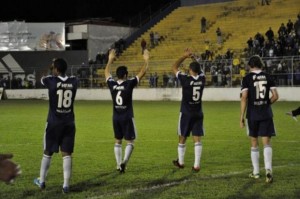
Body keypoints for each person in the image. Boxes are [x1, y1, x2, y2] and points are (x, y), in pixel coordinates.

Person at [34, 58, 78, 193]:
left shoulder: (51, 81)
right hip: (69, 123)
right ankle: (65, 185)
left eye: (54, 68)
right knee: (67, 154)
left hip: (53, 123)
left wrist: (50, 66)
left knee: (47, 152)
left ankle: (41, 181)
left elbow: (40, 78)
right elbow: (67, 78)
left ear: (56, 70)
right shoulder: (74, 81)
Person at [105, 48, 149, 173]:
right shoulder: (129, 84)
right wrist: (146, 60)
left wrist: (109, 60)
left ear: (117, 75)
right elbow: (142, 72)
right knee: (130, 142)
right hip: (127, 117)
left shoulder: (112, 84)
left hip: (116, 117)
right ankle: (124, 161)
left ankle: (119, 164)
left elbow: (106, 73)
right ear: (125, 75)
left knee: (117, 141)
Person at [240, 55, 279, 183]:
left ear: (250, 65)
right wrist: (266, 103)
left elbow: (244, 97)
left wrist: (241, 116)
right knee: (266, 142)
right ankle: (268, 170)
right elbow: (275, 96)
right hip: (266, 113)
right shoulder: (268, 76)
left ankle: (256, 172)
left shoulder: (246, 78)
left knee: (254, 142)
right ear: (260, 64)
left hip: (252, 114)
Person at [172, 48, 205, 172]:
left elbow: (174, 67)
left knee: (182, 137)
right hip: (198, 113)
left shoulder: (185, 79)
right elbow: (200, 70)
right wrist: (194, 59)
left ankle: (181, 162)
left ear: (190, 70)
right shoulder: (202, 79)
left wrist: (184, 56)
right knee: (197, 138)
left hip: (186, 113)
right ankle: (196, 165)